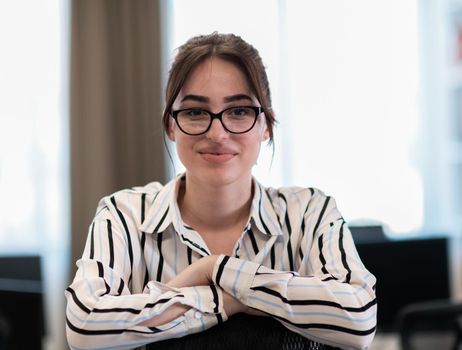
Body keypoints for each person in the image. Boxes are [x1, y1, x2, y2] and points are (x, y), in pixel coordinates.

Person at [65, 32, 377, 350]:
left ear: (265, 124)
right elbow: (85, 328)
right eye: (195, 112)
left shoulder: (309, 212)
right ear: (171, 125)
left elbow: (359, 319)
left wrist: (215, 269)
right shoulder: (124, 215)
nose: (217, 133)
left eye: (239, 111)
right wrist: (230, 299)